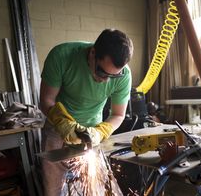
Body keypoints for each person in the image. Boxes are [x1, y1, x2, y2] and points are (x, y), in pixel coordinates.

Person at [39, 29, 133, 196]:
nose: (105, 80)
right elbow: (46, 100)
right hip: (57, 128)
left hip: (91, 132)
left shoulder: (124, 76)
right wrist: (64, 124)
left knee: (95, 189)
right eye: (102, 72)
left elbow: (118, 115)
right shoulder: (62, 56)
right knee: (54, 191)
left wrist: (99, 132)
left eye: (114, 76)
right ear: (93, 53)